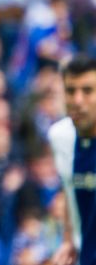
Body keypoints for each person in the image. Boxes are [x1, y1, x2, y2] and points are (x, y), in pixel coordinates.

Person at [50, 54, 96, 265]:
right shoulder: (60, 137)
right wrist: (68, 238)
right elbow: (68, 187)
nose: (78, 100)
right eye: (70, 91)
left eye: (87, 91)